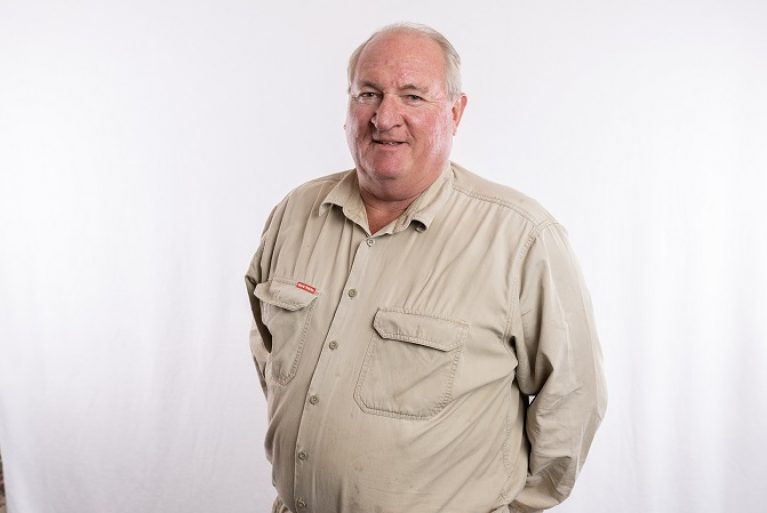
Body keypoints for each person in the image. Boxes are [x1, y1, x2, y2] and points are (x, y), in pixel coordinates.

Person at [245, 23, 606, 513]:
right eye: (367, 94)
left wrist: (514, 506)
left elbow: (572, 398)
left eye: (412, 96)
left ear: (455, 113)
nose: (385, 117)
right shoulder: (295, 214)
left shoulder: (521, 239)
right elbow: (270, 354)